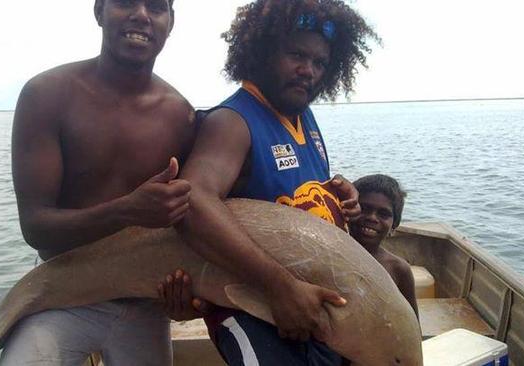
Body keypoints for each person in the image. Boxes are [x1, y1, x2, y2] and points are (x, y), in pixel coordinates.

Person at [161, 1, 378, 364]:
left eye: (320, 62)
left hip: (308, 303)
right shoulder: (233, 121)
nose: (307, 70)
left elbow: (288, 192)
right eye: (295, 54)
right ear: (263, 51)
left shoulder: (302, 116)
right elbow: (193, 200)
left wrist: (339, 196)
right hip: (253, 310)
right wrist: (280, 287)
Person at [1, 0, 195, 364]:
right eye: (125, 3)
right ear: (99, 11)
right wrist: (127, 211)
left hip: (143, 305)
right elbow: (35, 227)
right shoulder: (46, 95)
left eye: (156, 7)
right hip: (61, 294)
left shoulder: (181, 116)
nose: (141, 15)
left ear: (170, 23)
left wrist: (187, 296)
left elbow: (192, 224)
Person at [349, 174, 419, 317]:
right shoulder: (329, 255)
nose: (372, 217)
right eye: (364, 208)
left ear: (394, 226)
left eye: (383, 214)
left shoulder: (398, 269)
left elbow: (411, 323)